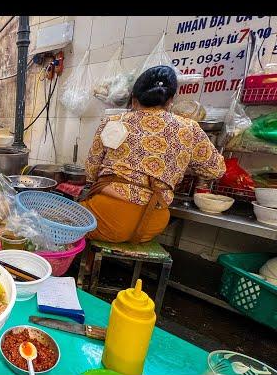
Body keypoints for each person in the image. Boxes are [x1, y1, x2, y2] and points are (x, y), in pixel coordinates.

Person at [81, 65, 226, 244]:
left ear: (134, 99)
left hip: (108, 214)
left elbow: (92, 170)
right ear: (170, 100)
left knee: (56, 222)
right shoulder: (190, 128)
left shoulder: (115, 122)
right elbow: (216, 170)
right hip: (152, 222)